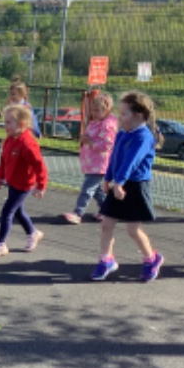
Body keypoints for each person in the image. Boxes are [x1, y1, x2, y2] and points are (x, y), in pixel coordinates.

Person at [90, 91, 164, 282]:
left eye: (124, 114)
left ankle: (151, 259)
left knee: (133, 229)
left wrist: (119, 182)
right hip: (119, 183)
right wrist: (107, 179)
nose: (120, 117)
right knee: (106, 224)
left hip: (136, 186)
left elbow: (131, 161)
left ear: (138, 116)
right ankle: (106, 260)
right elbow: (114, 157)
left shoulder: (143, 137)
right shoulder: (123, 133)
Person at [0, 105, 47, 261]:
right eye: (5, 122)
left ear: (22, 124)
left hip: (24, 185)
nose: (5, 126)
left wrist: (41, 185)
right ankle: (33, 233)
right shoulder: (9, 140)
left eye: (9, 122)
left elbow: (39, 166)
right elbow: (3, 160)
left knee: (7, 212)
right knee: (18, 211)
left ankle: (0, 244)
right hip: (12, 182)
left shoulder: (27, 144)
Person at [63, 92, 118, 223]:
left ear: (107, 110)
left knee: (87, 188)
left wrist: (90, 142)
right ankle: (107, 211)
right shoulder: (94, 122)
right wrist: (85, 139)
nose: (95, 113)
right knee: (97, 189)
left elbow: (107, 145)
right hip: (91, 161)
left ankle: (78, 213)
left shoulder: (107, 125)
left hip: (100, 162)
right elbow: (90, 137)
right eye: (93, 110)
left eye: (98, 110)